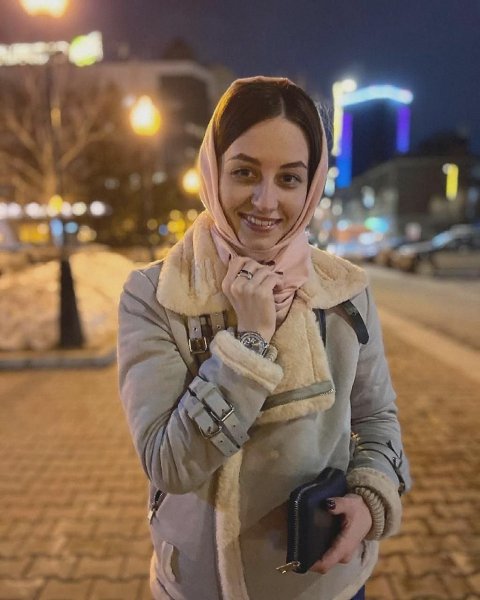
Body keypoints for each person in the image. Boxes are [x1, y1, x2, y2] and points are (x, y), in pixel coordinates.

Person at [117, 76, 411, 600]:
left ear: (311, 185)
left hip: (326, 584)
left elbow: (376, 417)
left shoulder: (343, 292)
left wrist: (371, 497)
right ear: (213, 170)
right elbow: (168, 463)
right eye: (245, 172)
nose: (265, 200)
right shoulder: (158, 294)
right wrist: (249, 344)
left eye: (289, 178)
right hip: (202, 586)